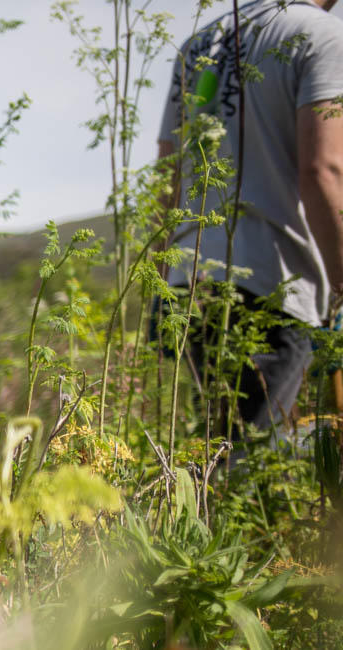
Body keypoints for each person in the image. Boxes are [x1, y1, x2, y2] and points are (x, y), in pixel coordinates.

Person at [156, 0, 343, 436]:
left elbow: (168, 175)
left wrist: (161, 285)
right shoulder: (321, 34)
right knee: (251, 460)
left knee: (221, 445)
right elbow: (324, 171)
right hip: (272, 282)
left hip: (191, 279)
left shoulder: (199, 43)